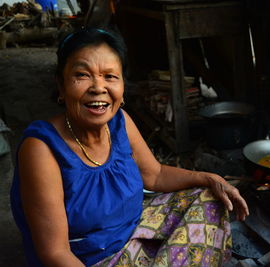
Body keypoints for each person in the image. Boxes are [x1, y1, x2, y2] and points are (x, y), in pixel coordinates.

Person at [10, 27, 249, 267]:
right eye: (82, 75)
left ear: (122, 87)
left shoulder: (119, 121)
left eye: (110, 76)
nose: (98, 87)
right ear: (61, 86)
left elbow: (154, 175)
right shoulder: (41, 148)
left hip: (133, 232)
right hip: (89, 259)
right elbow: (55, 253)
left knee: (208, 197)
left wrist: (208, 177)